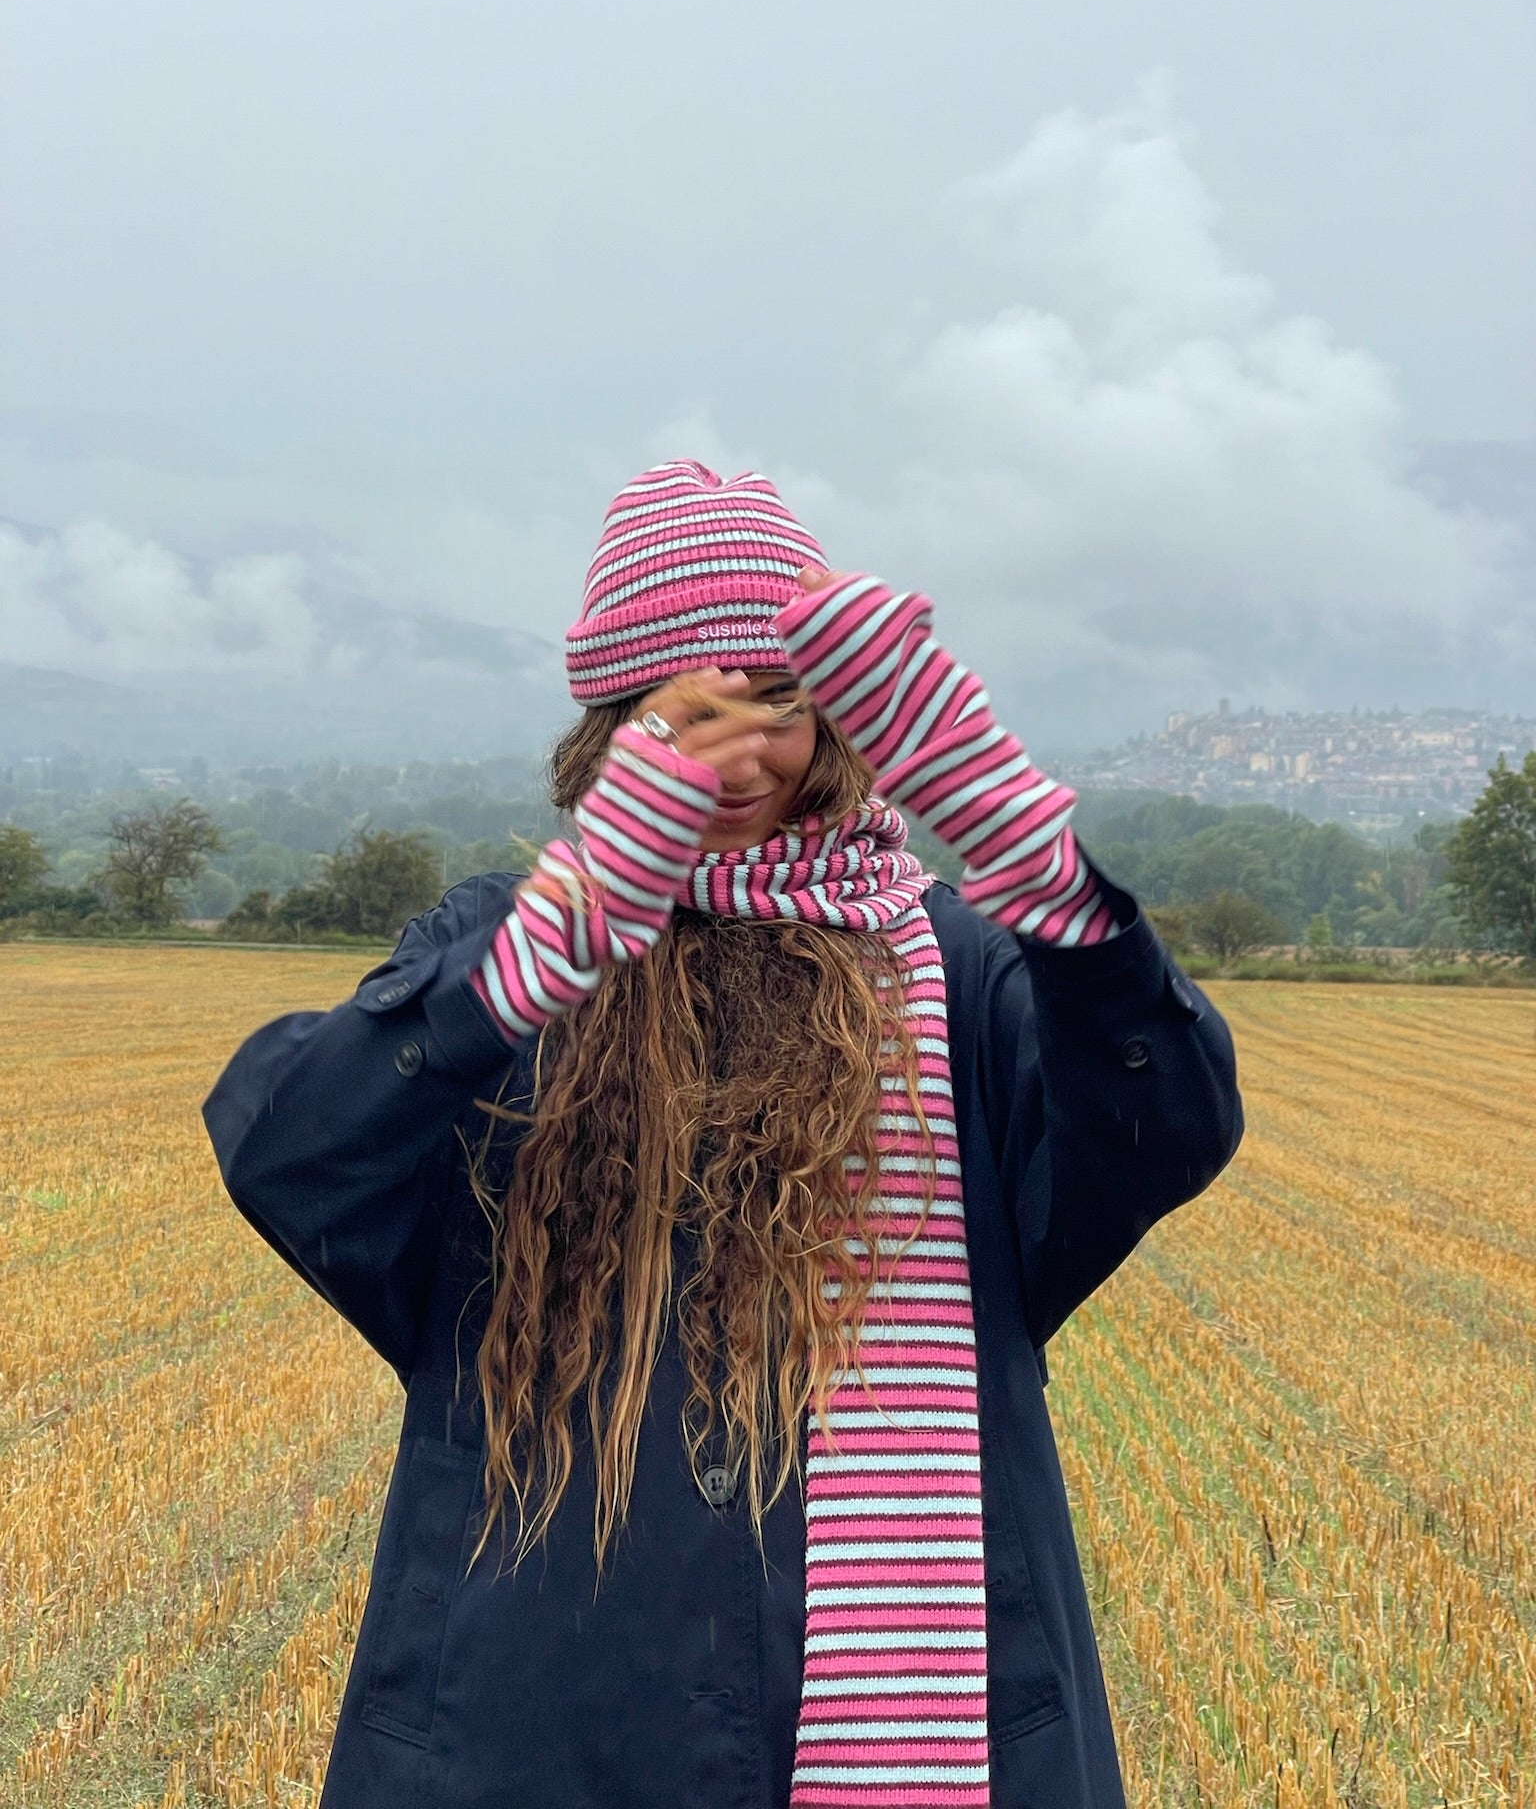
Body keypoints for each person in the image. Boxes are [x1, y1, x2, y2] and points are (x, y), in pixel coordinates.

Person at [205, 458, 1243, 1809]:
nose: (744, 754)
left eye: (779, 702)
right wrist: (545, 950)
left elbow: (1164, 1126)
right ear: (612, 721)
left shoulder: (965, 971)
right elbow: (293, 1159)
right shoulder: (502, 957)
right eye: (686, 709)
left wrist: (1042, 878)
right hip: (537, 1721)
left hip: (926, 1728)